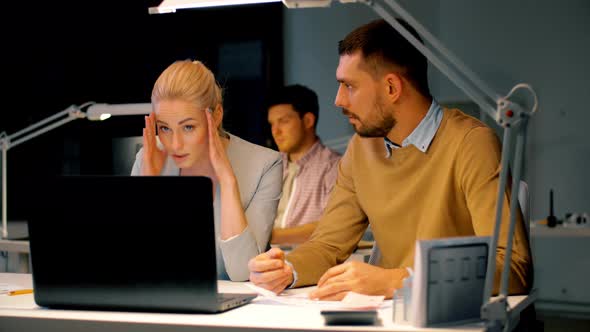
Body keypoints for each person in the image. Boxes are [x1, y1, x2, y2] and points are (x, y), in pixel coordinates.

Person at [248, 18, 532, 299]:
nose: (338, 100)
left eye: (349, 86)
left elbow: (513, 267)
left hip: (449, 319)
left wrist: (394, 280)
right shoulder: (361, 149)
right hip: (387, 317)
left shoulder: (472, 143)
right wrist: (287, 269)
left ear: (392, 88)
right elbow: (328, 245)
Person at [131, 59, 282, 281]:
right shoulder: (149, 157)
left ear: (217, 115)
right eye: (164, 128)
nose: (175, 144)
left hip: (237, 311)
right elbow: (138, 267)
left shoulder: (265, 164)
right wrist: (151, 190)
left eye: (188, 127)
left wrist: (228, 181)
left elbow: (243, 272)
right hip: (167, 304)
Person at [266, 84, 341, 245]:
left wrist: (269, 236)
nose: (275, 131)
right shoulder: (270, 166)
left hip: (307, 261)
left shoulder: (333, 167)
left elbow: (334, 227)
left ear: (307, 121)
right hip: (263, 260)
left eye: (283, 121)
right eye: (272, 124)